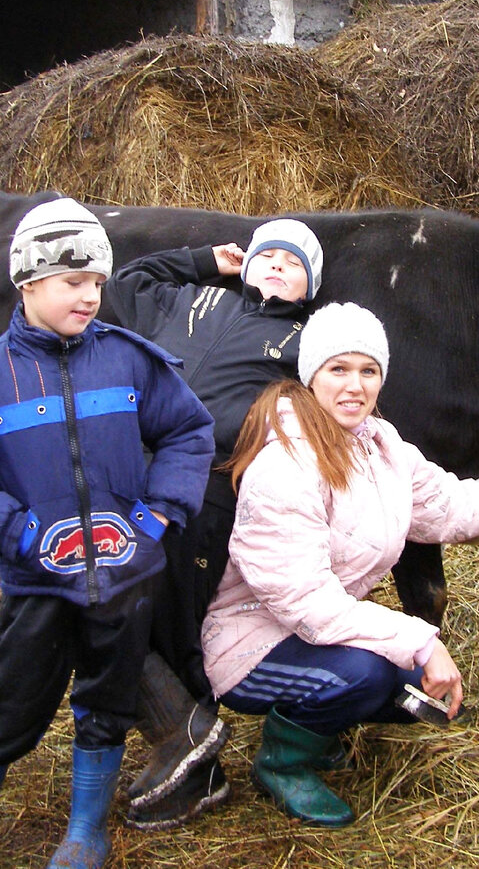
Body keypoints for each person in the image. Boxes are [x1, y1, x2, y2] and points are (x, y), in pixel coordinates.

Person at [202, 302, 479, 827]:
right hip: (248, 642)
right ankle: (282, 764)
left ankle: (319, 725)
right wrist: (423, 641)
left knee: (409, 691)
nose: (354, 386)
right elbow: (304, 600)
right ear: (311, 374)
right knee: (367, 674)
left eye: (369, 371)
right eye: (338, 369)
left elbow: (453, 508)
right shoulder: (286, 464)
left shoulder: (381, 446)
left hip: (320, 628)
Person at [0, 197, 215, 869]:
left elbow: (189, 431)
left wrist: (157, 515)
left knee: (107, 702)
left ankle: (85, 830)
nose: (90, 296)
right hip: (37, 581)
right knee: (9, 705)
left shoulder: (131, 362)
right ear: (27, 284)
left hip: (125, 578)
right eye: (73, 282)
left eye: (98, 283)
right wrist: (18, 534)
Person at [105, 218, 323, 829]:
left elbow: (347, 386)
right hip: (129, 476)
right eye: (267, 253)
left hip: (208, 490)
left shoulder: (308, 339)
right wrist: (205, 260)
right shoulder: (192, 297)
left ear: (311, 287)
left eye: (294, 261)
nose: (276, 263)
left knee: (176, 621)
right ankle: (188, 742)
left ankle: (194, 765)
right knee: (107, 605)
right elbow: (129, 281)